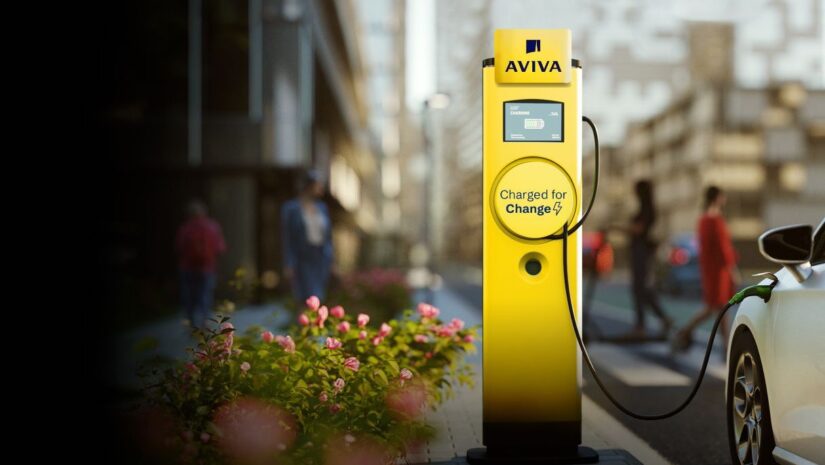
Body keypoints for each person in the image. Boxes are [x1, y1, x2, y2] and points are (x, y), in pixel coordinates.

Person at [672, 186, 739, 353]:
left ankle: (725, 347)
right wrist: (732, 270)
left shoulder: (703, 219)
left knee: (718, 308)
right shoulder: (714, 220)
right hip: (719, 270)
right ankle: (685, 333)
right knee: (715, 307)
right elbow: (723, 249)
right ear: (717, 198)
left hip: (710, 269)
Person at [615, 180, 673, 338]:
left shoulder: (647, 209)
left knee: (640, 289)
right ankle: (662, 319)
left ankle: (642, 325)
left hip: (642, 253)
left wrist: (619, 228)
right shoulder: (645, 208)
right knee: (643, 290)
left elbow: (638, 230)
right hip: (640, 252)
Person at [281, 170, 333, 303]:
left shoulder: (322, 208)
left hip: (320, 258)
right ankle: (301, 323)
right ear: (309, 186)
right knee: (302, 297)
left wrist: (332, 260)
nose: (321, 188)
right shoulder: (291, 209)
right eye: (318, 185)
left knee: (318, 297)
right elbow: (287, 238)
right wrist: (288, 263)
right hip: (301, 257)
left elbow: (328, 237)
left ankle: (314, 323)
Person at [176, 199, 226, 328]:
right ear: (204, 212)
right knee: (205, 295)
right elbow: (220, 248)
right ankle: (205, 321)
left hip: (188, 267)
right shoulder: (212, 226)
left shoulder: (185, 227)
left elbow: (179, 247)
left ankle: (191, 322)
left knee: (189, 296)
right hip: (207, 267)